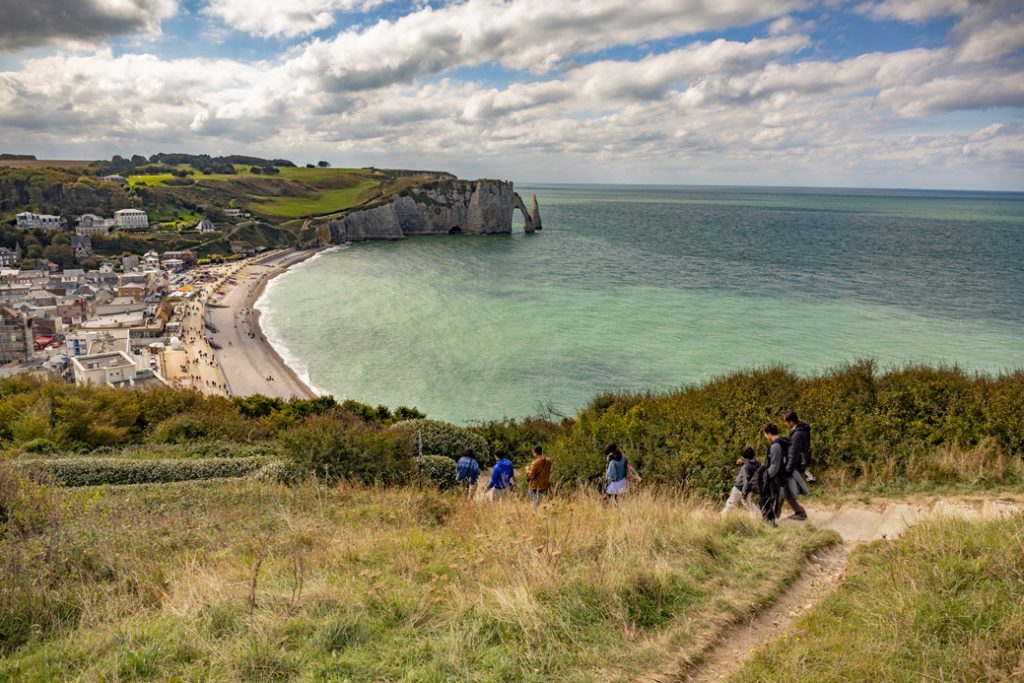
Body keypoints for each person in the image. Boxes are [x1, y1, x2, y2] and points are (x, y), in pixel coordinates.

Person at [763, 422, 807, 521]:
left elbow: (774, 466)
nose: (765, 436)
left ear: (768, 433)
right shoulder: (785, 441)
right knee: (787, 495)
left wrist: (765, 476)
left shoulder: (775, 446)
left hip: (780, 476)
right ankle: (800, 513)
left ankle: (772, 519)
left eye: (765, 434)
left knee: (777, 496)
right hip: (787, 472)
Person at [720, 446, 760, 518]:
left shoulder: (746, 467)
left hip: (739, 488)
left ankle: (722, 517)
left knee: (730, 503)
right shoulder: (757, 463)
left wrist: (744, 493)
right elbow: (750, 466)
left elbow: (746, 480)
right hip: (748, 489)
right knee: (748, 504)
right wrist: (743, 462)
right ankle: (761, 516)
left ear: (744, 457)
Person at [784, 410, 816, 483]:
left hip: (799, 461)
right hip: (805, 457)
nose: (785, 424)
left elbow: (794, 453)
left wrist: (788, 471)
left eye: (786, 422)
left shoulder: (797, 435)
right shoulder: (804, 429)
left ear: (791, 421)